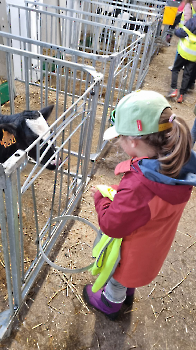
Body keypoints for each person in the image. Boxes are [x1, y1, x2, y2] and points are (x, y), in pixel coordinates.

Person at [83, 90, 196, 320]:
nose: (119, 143)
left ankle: (111, 305)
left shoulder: (140, 187)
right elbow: (147, 208)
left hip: (130, 253)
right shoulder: (176, 165)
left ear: (133, 141)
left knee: (118, 278)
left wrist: (101, 198)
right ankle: (128, 292)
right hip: (152, 249)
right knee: (130, 276)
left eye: (120, 138)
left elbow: (112, 225)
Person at [167, 14, 196, 102]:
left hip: (184, 51)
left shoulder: (192, 21)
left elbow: (180, 33)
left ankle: (174, 89)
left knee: (176, 69)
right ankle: (181, 95)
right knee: (187, 74)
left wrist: (176, 31)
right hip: (194, 55)